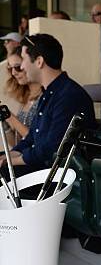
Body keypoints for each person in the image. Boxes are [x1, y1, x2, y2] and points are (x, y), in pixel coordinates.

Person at [0, 34, 96, 179]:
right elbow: (32, 137)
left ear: (39, 62)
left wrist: (12, 161)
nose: (23, 66)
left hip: (57, 175)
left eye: (24, 60)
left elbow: (50, 150)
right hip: (43, 167)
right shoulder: (50, 93)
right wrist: (9, 156)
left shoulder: (68, 95)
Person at [3, 47, 42, 146]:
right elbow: (17, 143)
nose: (13, 73)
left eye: (17, 67)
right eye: (10, 68)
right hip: (24, 156)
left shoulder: (45, 96)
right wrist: (4, 122)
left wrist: (11, 117)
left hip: (36, 160)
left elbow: (36, 140)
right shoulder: (26, 96)